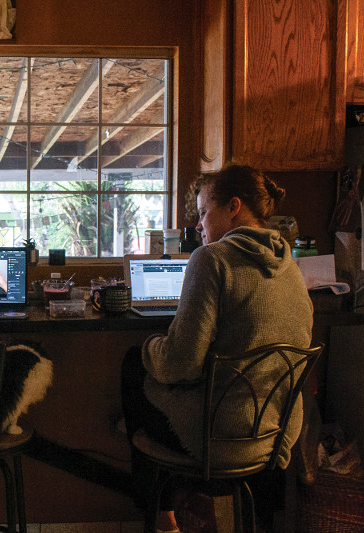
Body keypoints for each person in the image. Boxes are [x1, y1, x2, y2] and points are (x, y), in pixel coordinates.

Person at [120, 163, 313, 533]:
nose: (198, 224)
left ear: (233, 207)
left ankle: (165, 514)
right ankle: (197, 499)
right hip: (274, 433)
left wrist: (150, 347)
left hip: (220, 437)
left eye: (204, 211)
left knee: (135, 367)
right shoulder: (290, 264)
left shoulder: (211, 259)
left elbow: (180, 364)